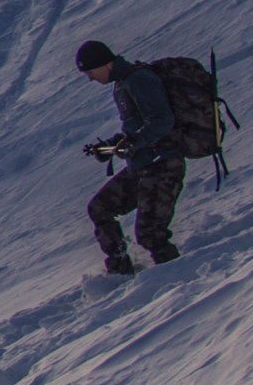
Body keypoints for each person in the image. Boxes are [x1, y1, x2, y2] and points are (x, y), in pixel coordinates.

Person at [75, 39, 183, 274]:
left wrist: (132, 142)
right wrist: (112, 146)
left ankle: (179, 282)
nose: (91, 78)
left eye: (90, 71)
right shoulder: (122, 84)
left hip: (162, 165)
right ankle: (120, 271)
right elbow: (135, 129)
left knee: (151, 234)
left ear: (104, 64)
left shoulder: (139, 80)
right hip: (143, 166)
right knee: (100, 208)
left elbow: (162, 121)